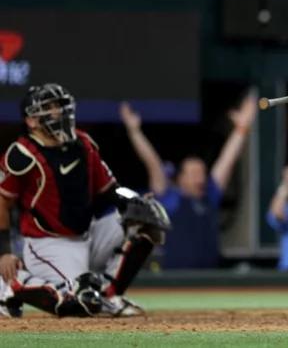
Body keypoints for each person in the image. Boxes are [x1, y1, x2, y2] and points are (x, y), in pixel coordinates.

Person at [0, 83, 170, 318]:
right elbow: (2, 202)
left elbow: (111, 189)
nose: (58, 112)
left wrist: (135, 200)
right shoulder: (22, 153)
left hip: (86, 235)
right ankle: (12, 285)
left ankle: (111, 295)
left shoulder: (83, 143)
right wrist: (4, 252)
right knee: (83, 302)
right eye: (48, 108)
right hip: (48, 245)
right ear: (32, 121)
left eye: (59, 106)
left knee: (148, 217)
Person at [119, 90, 257, 269]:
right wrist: (134, 131)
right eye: (193, 173)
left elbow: (227, 161)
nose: (200, 177)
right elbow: (153, 164)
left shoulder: (210, 197)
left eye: (202, 173)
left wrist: (241, 129)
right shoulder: (169, 200)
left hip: (210, 278)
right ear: (180, 179)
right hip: (175, 281)